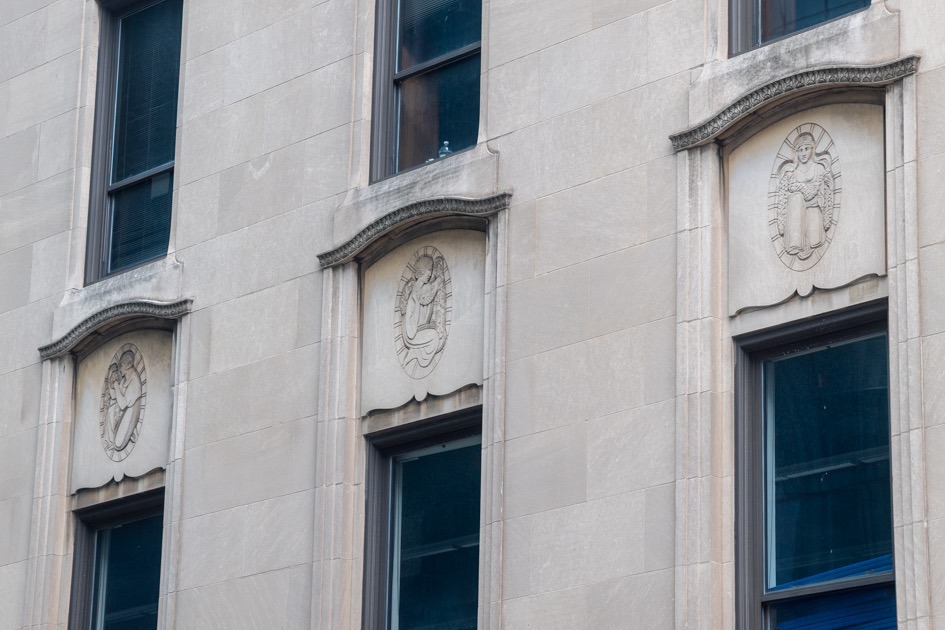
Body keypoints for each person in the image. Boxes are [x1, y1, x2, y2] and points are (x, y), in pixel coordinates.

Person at [776, 132, 834, 260]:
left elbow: (826, 191)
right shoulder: (792, 173)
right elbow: (787, 195)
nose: (803, 153)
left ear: (812, 149)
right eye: (800, 150)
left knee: (815, 241)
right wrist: (801, 192)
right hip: (797, 214)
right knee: (796, 197)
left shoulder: (819, 169)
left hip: (814, 210)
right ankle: (795, 242)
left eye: (806, 149)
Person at [399, 254, 448, 370]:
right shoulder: (417, 288)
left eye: (431, 270)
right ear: (421, 271)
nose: (430, 274)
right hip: (411, 332)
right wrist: (439, 279)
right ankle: (413, 354)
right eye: (429, 270)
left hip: (419, 329)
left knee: (439, 336)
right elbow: (427, 296)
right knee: (435, 336)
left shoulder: (423, 287)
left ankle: (413, 354)